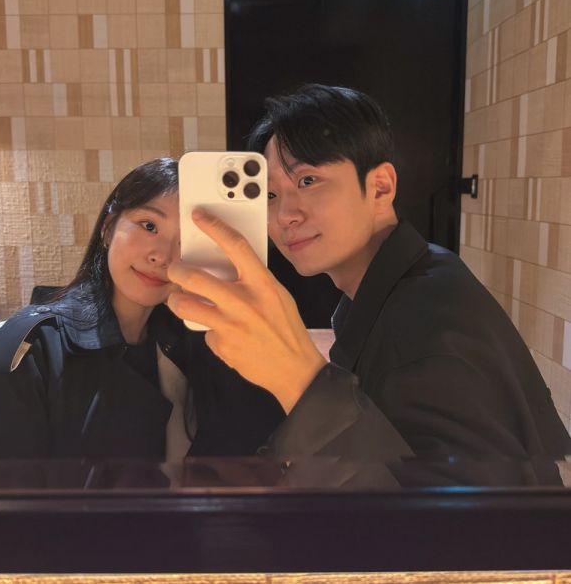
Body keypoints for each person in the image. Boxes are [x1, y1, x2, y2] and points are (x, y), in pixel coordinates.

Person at [167, 84, 571, 485]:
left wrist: (297, 378)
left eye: (308, 180)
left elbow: (462, 522)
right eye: (270, 194)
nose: (285, 214)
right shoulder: (414, 278)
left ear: (380, 187)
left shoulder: (424, 321)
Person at [0, 158, 284, 463]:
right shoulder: (35, 349)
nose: (162, 255)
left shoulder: (195, 341)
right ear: (108, 228)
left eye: (184, 241)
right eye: (149, 226)